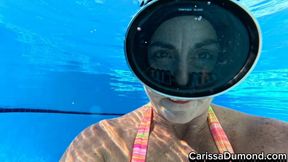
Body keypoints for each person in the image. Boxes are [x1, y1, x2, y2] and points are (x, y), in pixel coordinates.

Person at [60, 0, 288, 162]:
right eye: (163, 54)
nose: (181, 80)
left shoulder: (275, 143)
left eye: (203, 55)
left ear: (223, 62)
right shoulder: (98, 149)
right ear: (139, 59)